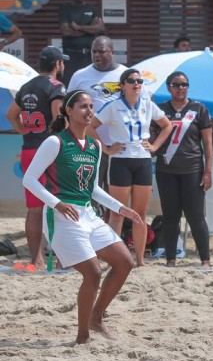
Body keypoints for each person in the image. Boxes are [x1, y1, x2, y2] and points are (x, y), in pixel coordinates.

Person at [22, 89, 142, 344]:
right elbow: (30, 179)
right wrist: (57, 203)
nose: (90, 112)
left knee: (124, 262)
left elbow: (94, 188)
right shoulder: (55, 142)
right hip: (62, 216)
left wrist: (120, 207)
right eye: (84, 107)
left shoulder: (95, 145)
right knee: (93, 272)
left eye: (91, 107)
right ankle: (82, 336)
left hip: (88, 213)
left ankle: (96, 318)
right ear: (69, 110)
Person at [89, 69, 172, 267]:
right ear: (123, 85)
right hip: (121, 161)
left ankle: (141, 260)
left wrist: (154, 147)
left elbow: (167, 125)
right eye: (131, 81)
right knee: (117, 213)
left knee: (140, 214)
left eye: (139, 81)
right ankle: (114, 259)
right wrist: (107, 149)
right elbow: (90, 126)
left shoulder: (148, 105)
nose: (136, 84)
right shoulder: (113, 106)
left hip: (142, 160)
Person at [5, 46, 69, 270]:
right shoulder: (56, 86)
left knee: (34, 207)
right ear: (57, 64)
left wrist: (23, 130)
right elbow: (58, 118)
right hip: (49, 150)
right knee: (61, 204)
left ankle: (36, 260)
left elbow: (10, 114)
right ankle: (63, 259)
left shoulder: (26, 86)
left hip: (29, 148)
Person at [153, 71, 213, 267]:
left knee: (196, 216)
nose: (181, 88)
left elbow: (208, 144)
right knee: (170, 216)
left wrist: (208, 171)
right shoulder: (159, 110)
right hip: (166, 171)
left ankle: (205, 259)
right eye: (176, 84)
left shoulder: (199, 108)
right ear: (169, 87)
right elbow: (152, 137)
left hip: (193, 170)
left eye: (184, 84)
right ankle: (171, 259)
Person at [69, 36, 129, 194]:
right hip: (89, 145)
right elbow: (68, 109)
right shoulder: (79, 76)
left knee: (115, 196)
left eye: (101, 52)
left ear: (112, 52)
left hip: (120, 146)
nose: (97, 55)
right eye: (94, 52)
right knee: (90, 192)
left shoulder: (126, 75)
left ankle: (112, 220)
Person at [59, 0, 106, 84]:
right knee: (69, 84)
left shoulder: (92, 9)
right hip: (70, 54)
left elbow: (100, 28)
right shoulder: (66, 8)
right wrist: (90, 29)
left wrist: (79, 27)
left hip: (88, 55)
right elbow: (66, 31)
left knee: (89, 83)